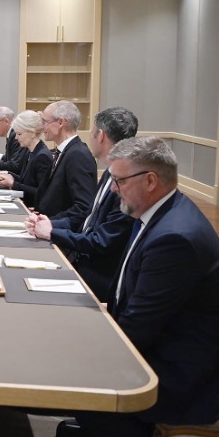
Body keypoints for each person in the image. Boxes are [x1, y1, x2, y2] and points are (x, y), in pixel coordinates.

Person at [58, 136, 219, 437]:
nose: (113, 189)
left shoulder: (174, 238)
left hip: (191, 373)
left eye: (119, 181)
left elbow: (137, 331)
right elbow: (135, 302)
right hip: (171, 341)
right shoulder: (155, 213)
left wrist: (78, 341)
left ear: (150, 181)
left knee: (80, 380)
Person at [25, 107, 138, 301]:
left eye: (92, 133)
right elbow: (89, 217)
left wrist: (52, 231)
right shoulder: (110, 173)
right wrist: (51, 224)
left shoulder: (123, 183)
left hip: (96, 273)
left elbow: (101, 239)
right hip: (81, 254)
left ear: (100, 136)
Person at [34, 100, 97, 231]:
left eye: (45, 122)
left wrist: (50, 223)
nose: (42, 127)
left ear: (61, 122)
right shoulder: (64, 151)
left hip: (60, 233)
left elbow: (83, 207)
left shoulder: (78, 155)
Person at [0, 110, 51, 207]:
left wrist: (13, 184)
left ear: (32, 133)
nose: (16, 138)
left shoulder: (42, 156)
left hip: (32, 208)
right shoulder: (30, 151)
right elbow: (25, 180)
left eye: (19, 134)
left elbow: (41, 193)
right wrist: (7, 175)